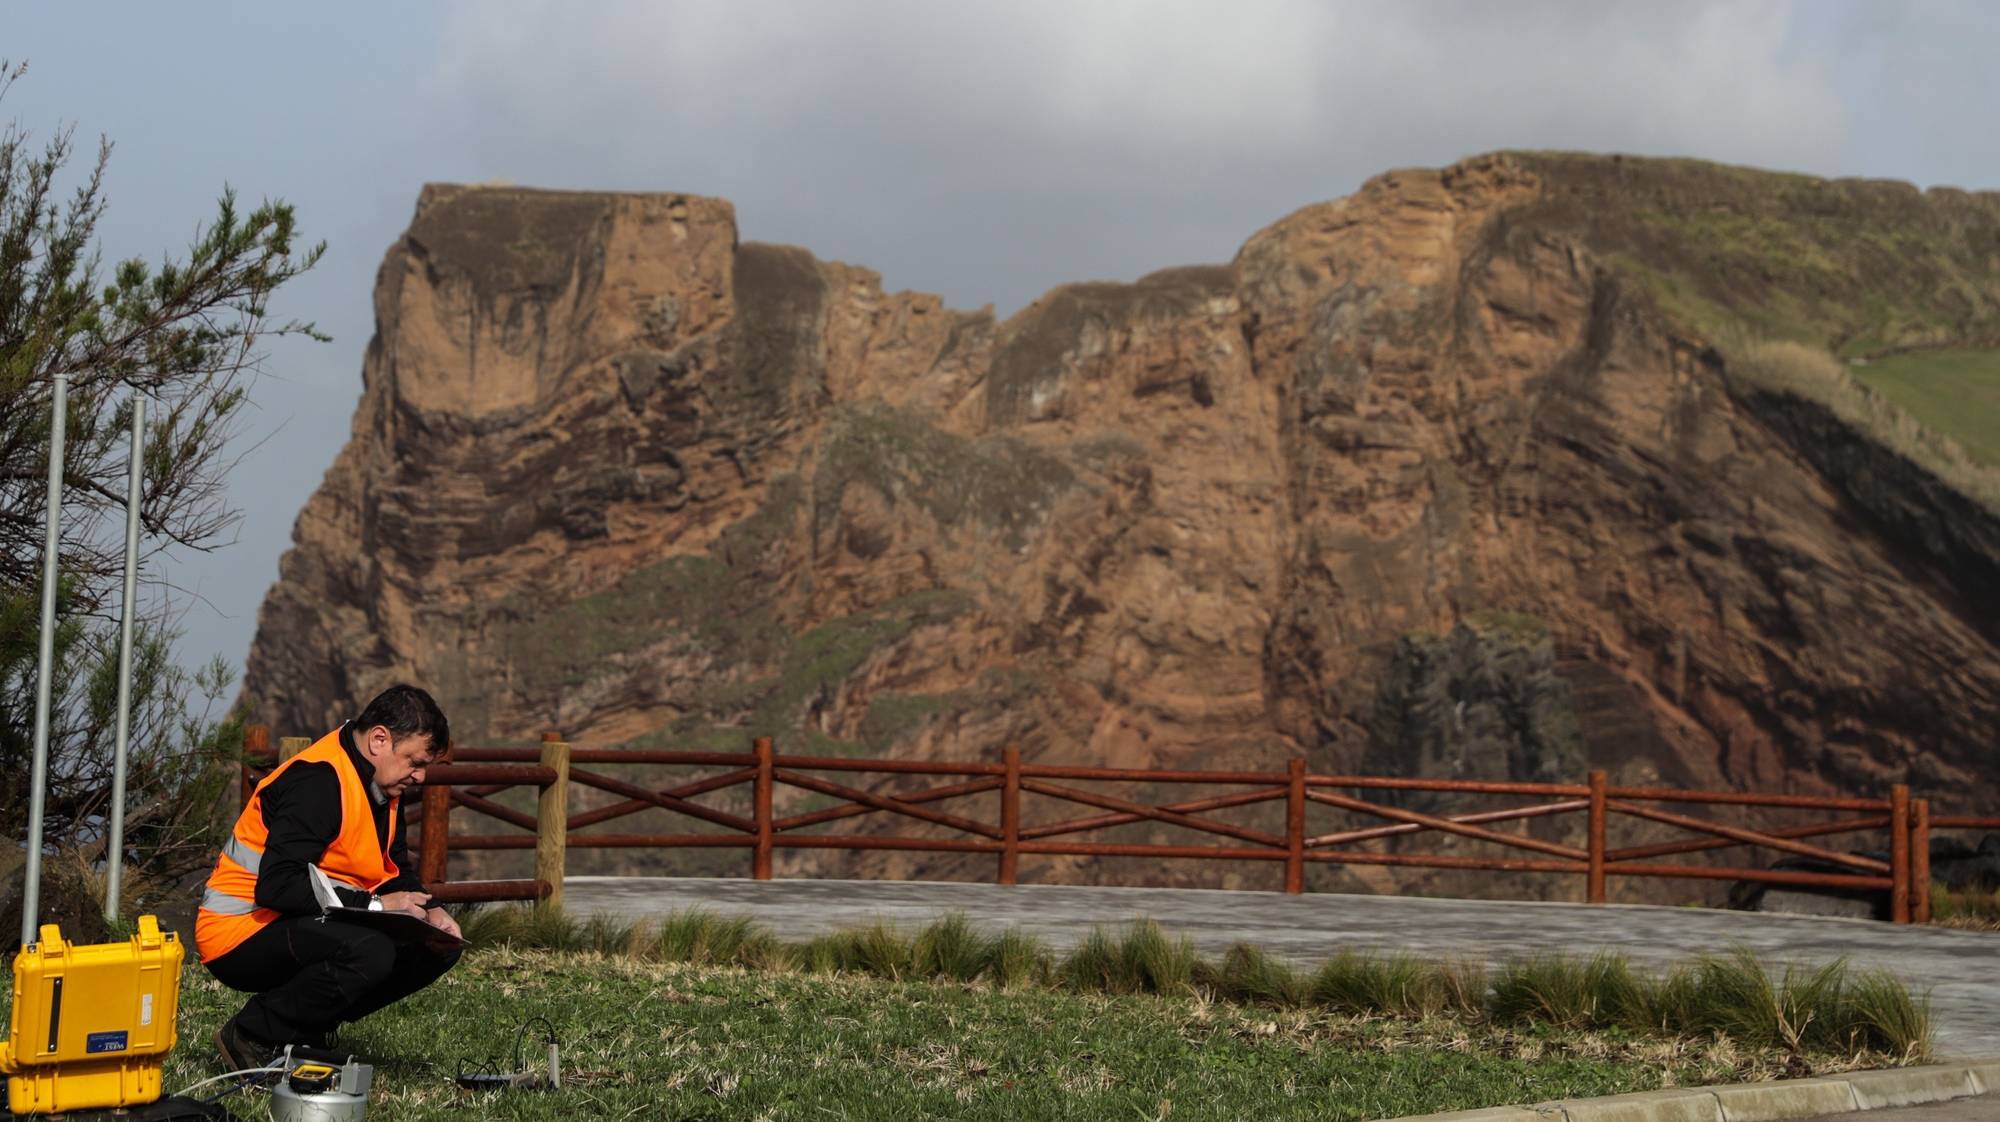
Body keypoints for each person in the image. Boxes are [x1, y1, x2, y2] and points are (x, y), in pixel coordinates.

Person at [196, 684, 464, 1070]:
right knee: (370, 951)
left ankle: (304, 1029)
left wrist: (431, 910)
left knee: (436, 946)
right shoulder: (318, 781)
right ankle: (253, 1034)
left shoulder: (380, 783)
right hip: (239, 933)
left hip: (300, 921)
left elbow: (393, 866)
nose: (420, 776)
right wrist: (375, 905)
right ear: (379, 739)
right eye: (414, 762)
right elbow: (278, 886)